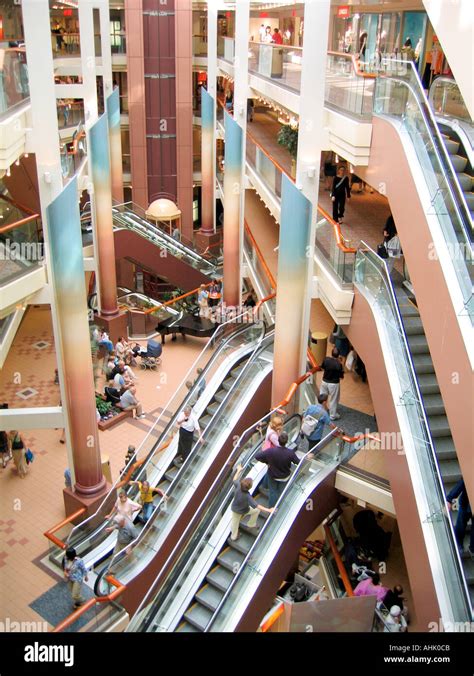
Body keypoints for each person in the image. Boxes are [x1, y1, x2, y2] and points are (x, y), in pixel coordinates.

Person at [255, 432, 312, 508]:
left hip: (273, 476)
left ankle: (272, 508)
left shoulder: (270, 451)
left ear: (278, 440)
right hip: (284, 477)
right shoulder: (290, 453)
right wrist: (306, 457)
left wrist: (267, 462)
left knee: (273, 492)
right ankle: (280, 505)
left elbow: (257, 456)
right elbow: (298, 462)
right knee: (280, 492)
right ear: (286, 441)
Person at [230, 464, 274, 541]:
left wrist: (238, 470)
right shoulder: (247, 496)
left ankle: (248, 526)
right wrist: (269, 510)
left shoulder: (238, 486)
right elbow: (257, 506)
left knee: (236, 522)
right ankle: (236, 535)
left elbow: (234, 479)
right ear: (249, 487)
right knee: (255, 511)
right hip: (240, 510)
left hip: (238, 509)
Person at [447, 480, 473, 555]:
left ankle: (472, 549)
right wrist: (449, 499)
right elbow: (462, 482)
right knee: (460, 525)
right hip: (466, 504)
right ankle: (458, 544)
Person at [320, 348, 344, 420]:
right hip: (334, 384)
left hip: (324, 382)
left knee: (322, 397)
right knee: (333, 399)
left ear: (331, 353)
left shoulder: (326, 359)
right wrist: (341, 363)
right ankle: (332, 415)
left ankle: (321, 412)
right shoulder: (339, 364)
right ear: (338, 355)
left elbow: (322, 368)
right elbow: (341, 377)